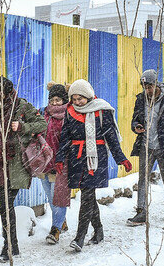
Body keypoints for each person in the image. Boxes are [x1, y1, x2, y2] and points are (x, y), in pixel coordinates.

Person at [55, 79, 132, 252]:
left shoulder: (101, 110)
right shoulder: (70, 112)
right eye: (73, 99)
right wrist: (60, 158)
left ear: (88, 96)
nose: (77, 102)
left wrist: (121, 159)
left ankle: (79, 238)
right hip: (77, 158)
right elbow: (65, 137)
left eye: (80, 99)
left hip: (96, 159)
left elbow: (111, 137)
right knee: (88, 196)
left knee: (87, 196)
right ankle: (98, 231)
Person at [0, 76, 47, 262]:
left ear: (6, 91)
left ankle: (8, 246)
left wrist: (22, 126)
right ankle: (12, 245)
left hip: (14, 164)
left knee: (6, 206)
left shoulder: (21, 106)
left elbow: (42, 124)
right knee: (4, 207)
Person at [127, 69, 164, 226]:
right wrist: (136, 126)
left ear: (156, 84)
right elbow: (135, 120)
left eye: (150, 87)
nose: (147, 90)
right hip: (146, 146)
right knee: (142, 178)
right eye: (144, 87)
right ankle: (141, 212)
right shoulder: (141, 100)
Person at [40, 82, 71, 244]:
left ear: (64, 100)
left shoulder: (69, 115)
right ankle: (62, 220)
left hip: (61, 162)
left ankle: (55, 229)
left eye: (58, 99)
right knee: (50, 197)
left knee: (57, 197)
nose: (54, 103)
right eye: (52, 99)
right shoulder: (43, 114)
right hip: (44, 163)